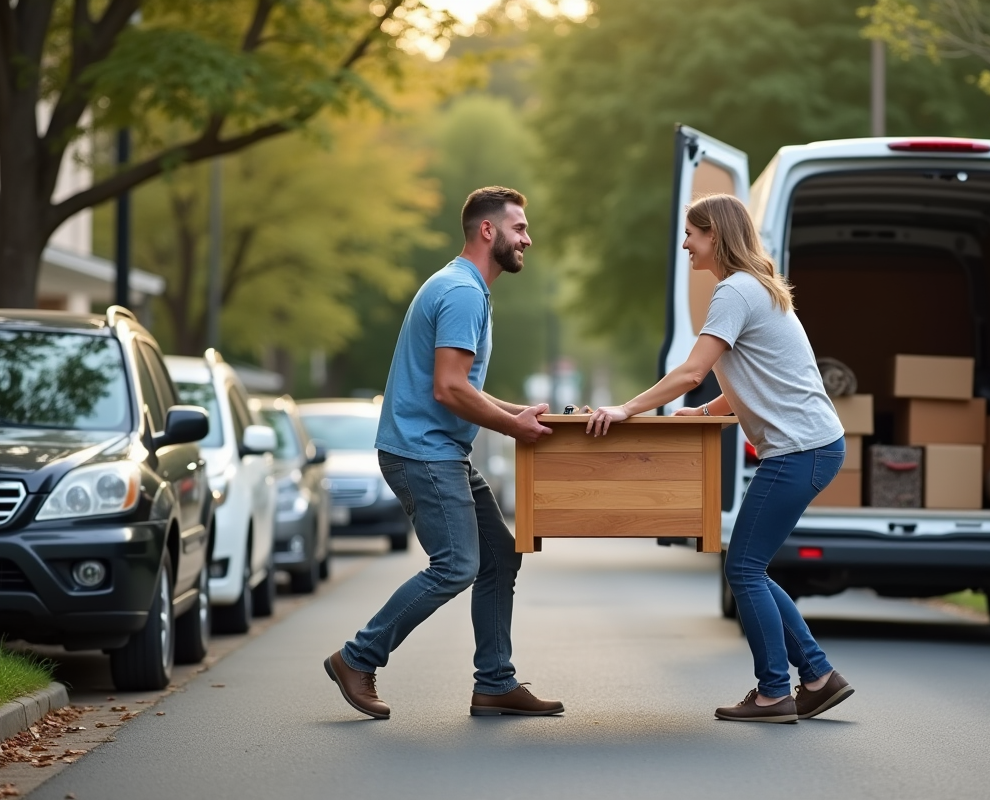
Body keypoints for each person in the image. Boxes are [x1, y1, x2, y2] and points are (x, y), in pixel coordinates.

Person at [586, 193, 853, 724]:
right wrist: (706, 411)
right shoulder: (758, 289)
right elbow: (755, 374)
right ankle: (819, 677)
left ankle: (776, 692)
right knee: (751, 566)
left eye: (692, 233)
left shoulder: (735, 291)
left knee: (744, 567)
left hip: (800, 450)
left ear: (715, 234)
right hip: (814, 446)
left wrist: (628, 408)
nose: (685, 244)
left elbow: (690, 370)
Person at [325, 186, 564, 720]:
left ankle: (495, 683)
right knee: (457, 564)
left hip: (438, 451)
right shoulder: (460, 292)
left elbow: (464, 388)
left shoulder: (465, 288)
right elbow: (449, 389)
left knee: (499, 555)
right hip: (423, 452)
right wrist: (513, 428)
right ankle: (357, 658)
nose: (528, 238)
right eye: (519, 228)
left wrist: (516, 412)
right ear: (488, 231)